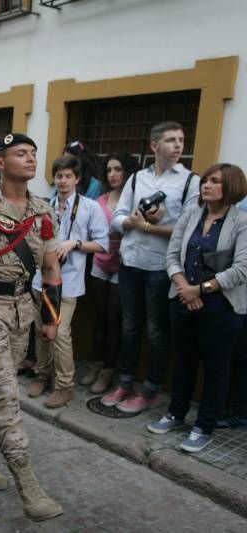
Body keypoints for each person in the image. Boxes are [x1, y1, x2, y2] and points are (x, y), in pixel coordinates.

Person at [0, 133, 63, 521]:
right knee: (5, 394)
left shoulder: (43, 210)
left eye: (34, 153)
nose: (31, 159)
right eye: (21, 153)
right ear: (0, 162)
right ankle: (28, 485)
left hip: (24, 306)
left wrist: (51, 318)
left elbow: (51, 268)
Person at [147, 163, 247, 452]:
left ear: (231, 187)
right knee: (184, 361)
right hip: (182, 299)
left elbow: (241, 269)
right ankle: (176, 414)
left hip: (221, 305)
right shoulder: (191, 214)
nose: (206, 185)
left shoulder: (241, 221)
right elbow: (171, 255)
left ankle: (204, 426)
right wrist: (185, 289)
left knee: (216, 368)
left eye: (215, 181)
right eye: (205, 180)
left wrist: (200, 290)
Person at [104, 121, 200, 413]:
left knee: (158, 331)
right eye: (171, 140)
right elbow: (117, 218)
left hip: (162, 267)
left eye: (181, 140)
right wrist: (131, 222)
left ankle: (150, 390)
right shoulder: (136, 179)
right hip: (131, 262)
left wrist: (150, 226)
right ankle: (125, 382)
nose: (178, 145)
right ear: (154, 146)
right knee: (130, 326)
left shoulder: (190, 181)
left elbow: (189, 229)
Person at [27, 156, 108, 408]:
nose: (63, 181)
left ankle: (65, 386)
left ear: (77, 179)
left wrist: (75, 243)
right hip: (40, 280)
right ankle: (42, 375)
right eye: (59, 176)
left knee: (60, 334)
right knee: (41, 332)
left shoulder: (89, 207)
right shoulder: (43, 205)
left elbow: (103, 244)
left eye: (68, 176)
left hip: (68, 282)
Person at [82, 152, 139, 393]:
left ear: (128, 172)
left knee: (114, 319)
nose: (113, 174)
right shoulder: (101, 200)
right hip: (99, 262)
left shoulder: (135, 201)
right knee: (99, 317)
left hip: (122, 264)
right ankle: (95, 365)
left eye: (118, 169)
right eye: (109, 170)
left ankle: (108, 371)